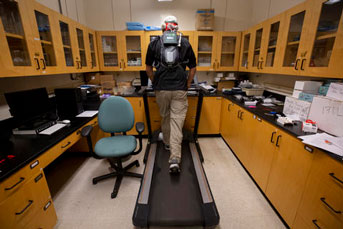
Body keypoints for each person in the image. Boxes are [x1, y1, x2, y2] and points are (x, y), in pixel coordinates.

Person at [145, 16, 196, 174]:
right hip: (179, 89)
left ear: (162, 29)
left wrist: (155, 82)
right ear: (176, 28)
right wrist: (188, 83)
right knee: (176, 122)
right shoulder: (185, 43)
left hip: (162, 90)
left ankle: (167, 143)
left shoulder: (154, 43)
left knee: (165, 117)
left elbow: (148, 68)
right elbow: (193, 68)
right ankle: (174, 158)